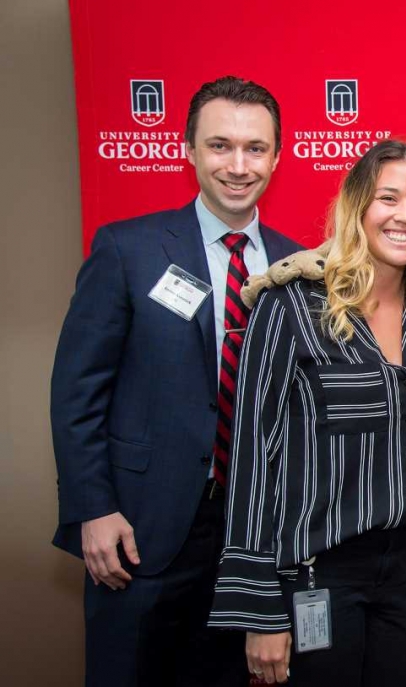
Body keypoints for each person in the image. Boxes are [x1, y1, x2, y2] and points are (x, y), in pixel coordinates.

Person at [51, 76, 302, 687]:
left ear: (276, 155)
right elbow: (77, 391)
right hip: (140, 529)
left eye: (255, 148)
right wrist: (94, 507)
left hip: (250, 537)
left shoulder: (300, 267)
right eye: (220, 146)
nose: (238, 165)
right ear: (188, 149)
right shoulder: (128, 249)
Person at [207, 140, 406, 686]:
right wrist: (262, 608)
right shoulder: (293, 304)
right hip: (317, 572)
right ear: (357, 207)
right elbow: (253, 456)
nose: (405, 216)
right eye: (388, 198)